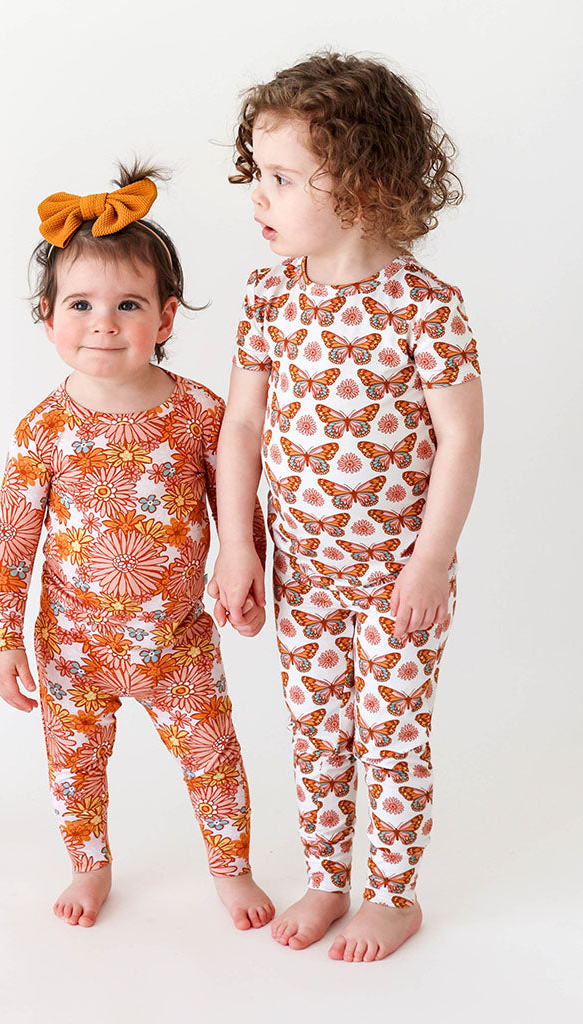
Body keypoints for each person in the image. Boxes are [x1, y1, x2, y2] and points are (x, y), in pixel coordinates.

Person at [209, 53, 483, 962]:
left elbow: (461, 440)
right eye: (258, 174)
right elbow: (241, 427)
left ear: (363, 187)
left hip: (399, 578)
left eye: (284, 179)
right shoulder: (269, 297)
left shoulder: (425, 308)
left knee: (392, 737)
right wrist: (239, 545)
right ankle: (327, 878)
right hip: (305, 573)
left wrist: (430, 561)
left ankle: (393, 896)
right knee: (318, 731)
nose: (260, 196)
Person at [0, 166, 274, 930]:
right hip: (73, 646)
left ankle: (232, 868)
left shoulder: (201, 413)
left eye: (128, 305)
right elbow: (11, 542)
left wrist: (247, 579)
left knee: (214, 756)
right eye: (80, 304)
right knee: (74, 769)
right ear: (48, 318)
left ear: (166, 316)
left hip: (178, 641)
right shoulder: (43, 430)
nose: (103, 324)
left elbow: (238, 508)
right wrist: (3, 638)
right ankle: (90, 867)